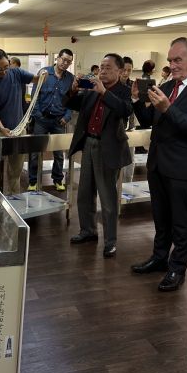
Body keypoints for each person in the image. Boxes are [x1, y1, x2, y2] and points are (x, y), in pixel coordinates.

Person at [131, 37, 187, 291]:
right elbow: (149, 120)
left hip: (181, 167)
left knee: (180, 222)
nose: (172, 65)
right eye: (170, 60)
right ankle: (159, 258)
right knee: (160, 218)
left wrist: (168, 108)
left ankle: (177, 268)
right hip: (157, 164)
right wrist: (137, 101)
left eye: (178, 60)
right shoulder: (168, 85)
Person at [65, 54, 133, 258]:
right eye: (101, 67)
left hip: (108, 148)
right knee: (84, 192)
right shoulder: (92, 89)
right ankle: (88, 230)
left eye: (108, 68)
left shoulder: (124, 91)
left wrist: (104, 93)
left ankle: (110, 241)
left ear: (120, 71)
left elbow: (125, 110)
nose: (102, 71)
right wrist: (73, 90)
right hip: (89, 143)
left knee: (107, 197)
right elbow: (71, 104)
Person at [0, 48, 43, 194]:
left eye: (5, 67)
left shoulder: (16, 73)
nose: (3, 72)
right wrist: (2, 128)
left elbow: (36, 79)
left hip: (19, 130)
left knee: (16, 170)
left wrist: (43, 74)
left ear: (9, 63)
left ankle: (14, 199)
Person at [28, 49, 74, 192]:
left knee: (59, 153)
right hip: (41, 119)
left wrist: (67, 117)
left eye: (68, 62)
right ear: (58, 58)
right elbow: (35, 96)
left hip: (59, 121)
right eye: (63, 59)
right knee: (35, 152)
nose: (65, 63)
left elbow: (71, 100)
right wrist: (37, 114)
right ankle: (33, 181)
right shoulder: (44, 73)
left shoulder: (70, 78)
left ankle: (58, 179)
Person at [120, 56, 137, 183]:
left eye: (129, 70)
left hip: (130, 127)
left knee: (130, 157)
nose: (126, 73)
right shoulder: (112, 85)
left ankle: (128, 182)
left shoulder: (133, 86)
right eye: (124, 70)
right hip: (116, 127)